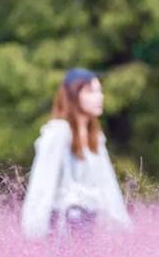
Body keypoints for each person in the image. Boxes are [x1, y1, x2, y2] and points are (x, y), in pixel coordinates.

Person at [21, 68, 132, 238]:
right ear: (73, 95)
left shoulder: (95, 137)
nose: (99, 97)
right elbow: (42, 184)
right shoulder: (59, 132)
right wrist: (33, 230)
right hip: (62, 226)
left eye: (99, 91)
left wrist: (123, 226)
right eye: (91, 91)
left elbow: (108, 184)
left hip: (90, 225)